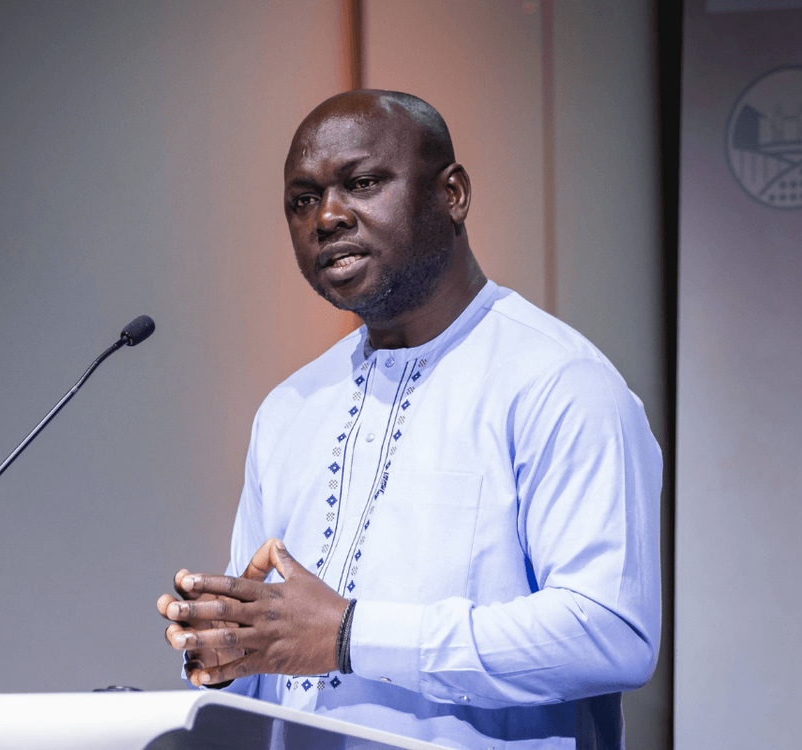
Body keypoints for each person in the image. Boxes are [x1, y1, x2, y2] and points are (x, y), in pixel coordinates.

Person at [156, 90, 661, 750]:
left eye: (362, 183)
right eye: (302, 200)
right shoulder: (290, 408)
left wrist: (350, 635)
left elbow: (611, 633)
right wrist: (227, 653)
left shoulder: (559, 384)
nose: (328, 217)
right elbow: (273, 670)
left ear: (452, 194)